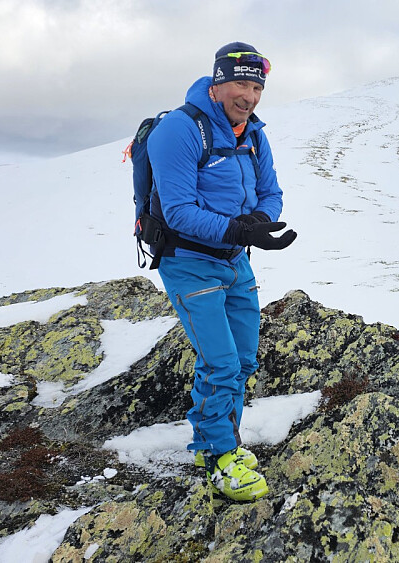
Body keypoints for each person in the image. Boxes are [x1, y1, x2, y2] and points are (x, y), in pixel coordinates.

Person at [146, 41, 296, 501]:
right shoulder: (179, 130)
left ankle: (213, 437)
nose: (248, 96)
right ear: (217, 83)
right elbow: (177, 212)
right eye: (240, 84)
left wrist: (257, 223)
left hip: (235, 262)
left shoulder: (254, 133)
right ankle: (218, 455)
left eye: (256, 87)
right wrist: (237, 230)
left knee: (244, 359)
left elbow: (271, 192)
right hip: (190, 264)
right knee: (221, 363)